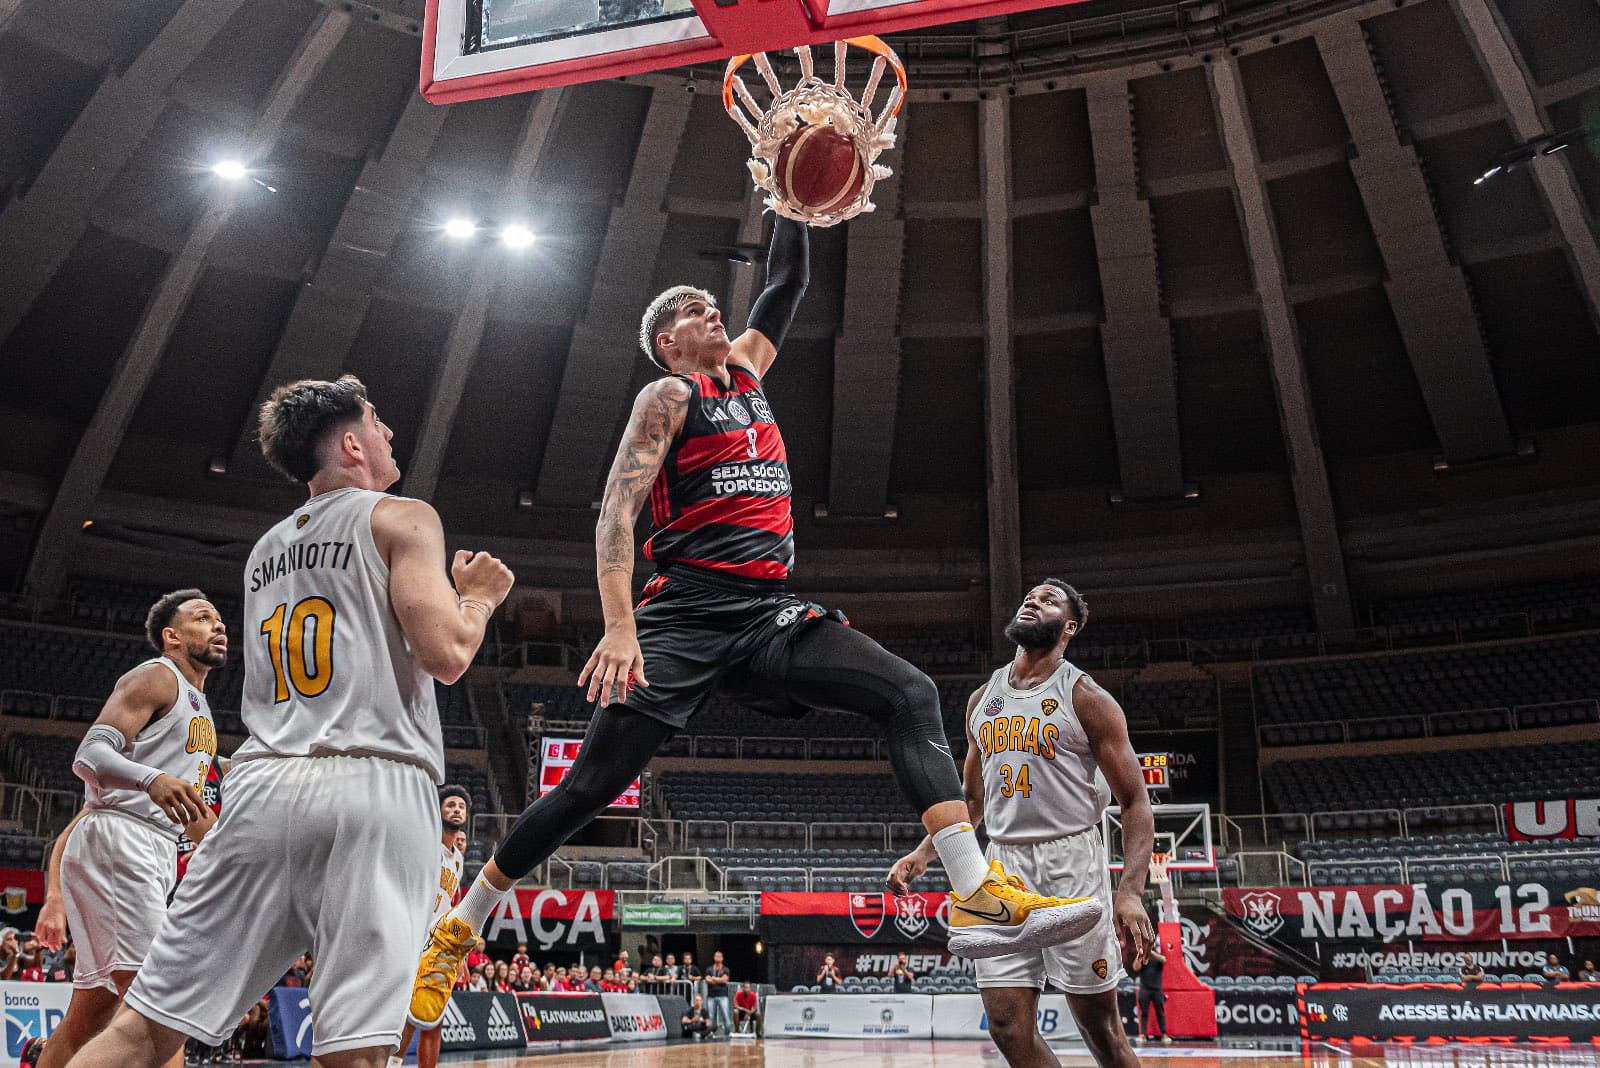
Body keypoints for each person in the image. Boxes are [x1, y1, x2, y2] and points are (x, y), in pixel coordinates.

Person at [408, 221, 1098, 1025]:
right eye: (699, 311)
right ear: (669, 342)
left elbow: (788, 283)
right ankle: (461, 927)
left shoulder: (748, 373)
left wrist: (791, 193)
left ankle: (976, 893)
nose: (717, 313)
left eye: (715, 307)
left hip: (767, 611)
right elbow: (615, 518)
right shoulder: (668, 396)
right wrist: (620, 625)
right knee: (590, 788)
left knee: (908, 692)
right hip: (682, 615)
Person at [67, 375, 515, 1068]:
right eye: (378, 420)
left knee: (144, 1032)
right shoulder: (403, 517)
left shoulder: (266, 550)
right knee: (355, 1053)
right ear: (349, 442)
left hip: (261, 787)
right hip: (376, 782)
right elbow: (448, 653)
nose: (390, 433)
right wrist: (479, 599)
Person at [888, 580, 1158, 1068]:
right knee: (1008, 1027)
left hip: (1071, 863)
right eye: (1030, 596)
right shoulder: (981, 699)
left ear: (1069, 627)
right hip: (1002, 870)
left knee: (1101, 1031)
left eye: (1049, 599)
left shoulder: (1087, 698)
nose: (1033, 601)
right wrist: (924, 852)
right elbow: (972, 801)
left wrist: (1132, 891)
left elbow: (1135, 801)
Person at [38, 590, 224, 1068]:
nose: (218, 626)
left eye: (220, 620)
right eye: (203, 619)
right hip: (122, 839)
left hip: (150, 846)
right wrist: (151, 778)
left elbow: (193, 807)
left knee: (90, 1015)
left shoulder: (199, 707)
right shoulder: (156, 676)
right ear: (172, 636)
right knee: (161, 1008)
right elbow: (89, 754)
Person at [389, 785, 471, 1068]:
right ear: (438, 811)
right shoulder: (424, 845)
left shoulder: (457, 860)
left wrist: (459, 955)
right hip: (410, 939)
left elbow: (449, 908)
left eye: (461, 806)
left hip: (437, 945)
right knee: (408, 1014)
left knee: (432, 1017)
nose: (456, 809)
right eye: (450, 805)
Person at [1134, 943, 1169, 1044]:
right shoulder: (1142, 958)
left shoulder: (1157, 956)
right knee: (1144, 1013)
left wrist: (1151, 953)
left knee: (1160, 1013)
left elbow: (1164, 960)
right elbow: (1135, 968)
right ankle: (1142, 1035)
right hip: (1144, 989)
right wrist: (1140, 955)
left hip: (1157, 989)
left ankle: (1164, 1034)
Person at [703, 950, 732, 1035]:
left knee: (725, 1015)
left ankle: (727, 1034)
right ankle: (710, 1033)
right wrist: (719, 980)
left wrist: (714, 979)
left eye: (719, 956)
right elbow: (708, 980)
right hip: (711, 996)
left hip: (723, 996)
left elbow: (725, 980)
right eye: (716, 956)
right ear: (713, 958)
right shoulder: (709, 969)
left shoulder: (725, 969)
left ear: (722, 958)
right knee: (711, 1016)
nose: (717, 958)